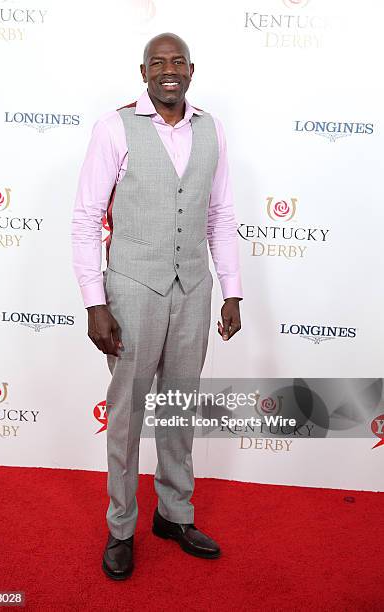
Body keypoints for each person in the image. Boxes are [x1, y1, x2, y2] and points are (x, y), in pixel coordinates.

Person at [71, 32, 243, 580]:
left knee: (180, 406)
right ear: (142, 71)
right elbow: (84, 220)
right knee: (126, 413)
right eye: (157, 63)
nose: (168, 71)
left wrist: (231, 288)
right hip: (131, 288)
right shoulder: (113, 128)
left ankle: (174, 514)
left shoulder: (212, 129)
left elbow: (220, 217)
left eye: (177, 62)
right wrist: (94, 302)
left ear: (191, 70)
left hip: (193, 290)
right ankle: (121, 525)